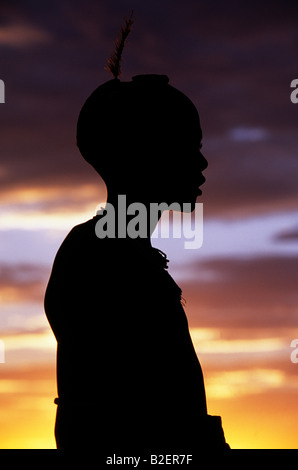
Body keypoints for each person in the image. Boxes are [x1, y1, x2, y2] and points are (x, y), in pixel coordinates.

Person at [44, 72, 229, 456]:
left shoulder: (112, 250)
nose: (202, 161)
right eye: (186, 145)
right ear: (143, 152)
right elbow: (108, 421)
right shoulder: (103, 258)